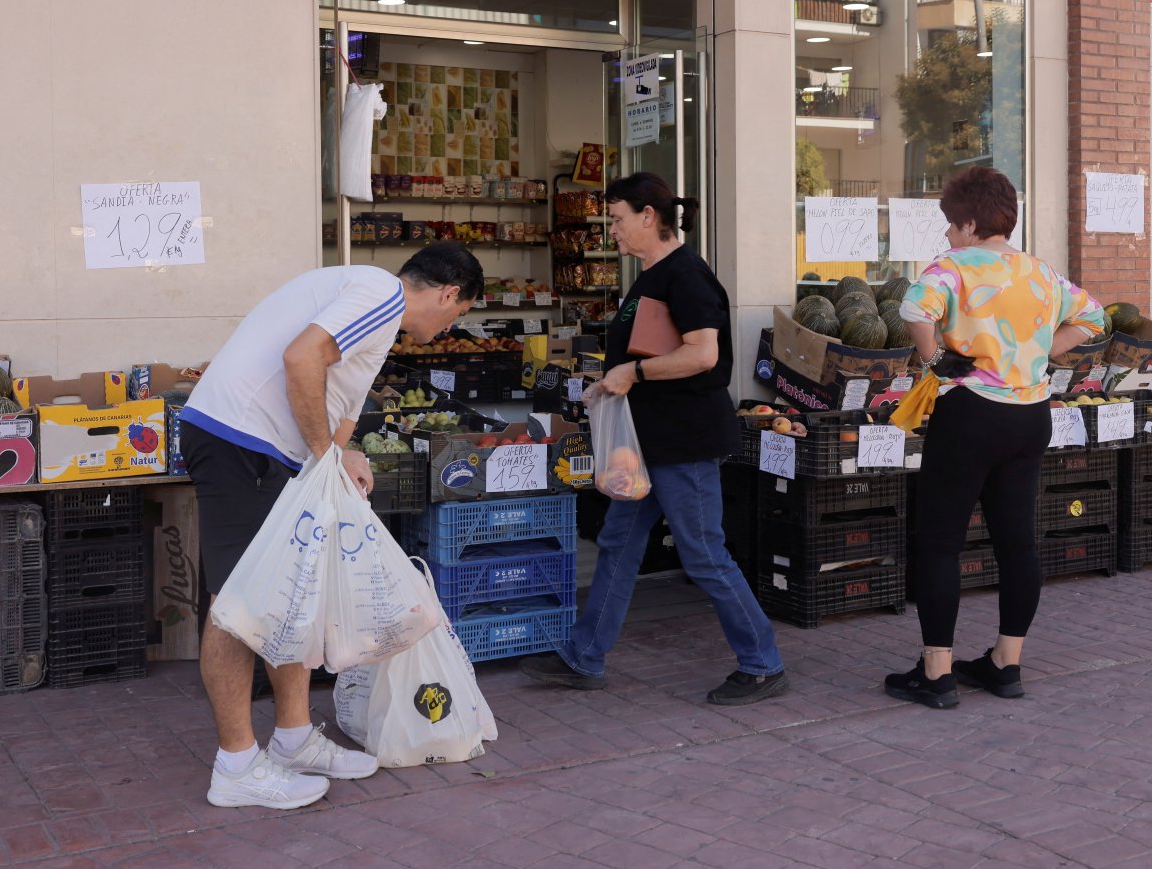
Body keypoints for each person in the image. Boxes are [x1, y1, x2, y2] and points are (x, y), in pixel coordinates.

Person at [180, 242, 484, 808]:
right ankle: (236, 766)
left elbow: (340, 401)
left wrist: (340, 456)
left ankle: (294, 740)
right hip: (238, 442)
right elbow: (303, 358)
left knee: (290, 592)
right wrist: (326, 455)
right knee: (237, 601)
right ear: (448, 294)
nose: (449, 327)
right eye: (458, 314)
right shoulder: (379, 293)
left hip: (267, 450)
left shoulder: (377, 317)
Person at [520, 172, 788, 705]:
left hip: (683, 443)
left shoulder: (686, 275)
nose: (611, 230)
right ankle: (585, 655)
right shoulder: (651, 275)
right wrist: (615, 377)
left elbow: (703, 354)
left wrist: (632, 376)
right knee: (618, 544)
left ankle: (763, 663)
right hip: (646, 444)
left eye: (617, 219)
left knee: (705, 554)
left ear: (648, 216)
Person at [885, 167, 1104, 709]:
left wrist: (935, 355)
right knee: (1017, 542)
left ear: (969, 221)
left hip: (970, 412)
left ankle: (937, 673)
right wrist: (1048, 350)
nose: (946, 235)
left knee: (940, 541)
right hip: (1031, 415)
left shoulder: (953, 267)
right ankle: (1007, 664)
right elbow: (1095, 316)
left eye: (949, 225)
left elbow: (913, 309)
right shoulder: (1040, 272)